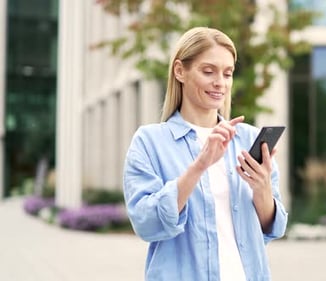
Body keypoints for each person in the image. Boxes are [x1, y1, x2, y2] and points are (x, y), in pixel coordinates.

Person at [122, 26, 288, 281]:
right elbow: (146, 223)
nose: (220, 82)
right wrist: (200, 165)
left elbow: (272, 227)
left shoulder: (247, 139)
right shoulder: (149, 142)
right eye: (208, 71)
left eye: (227, 73)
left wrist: (262, 187)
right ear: (180, 71)